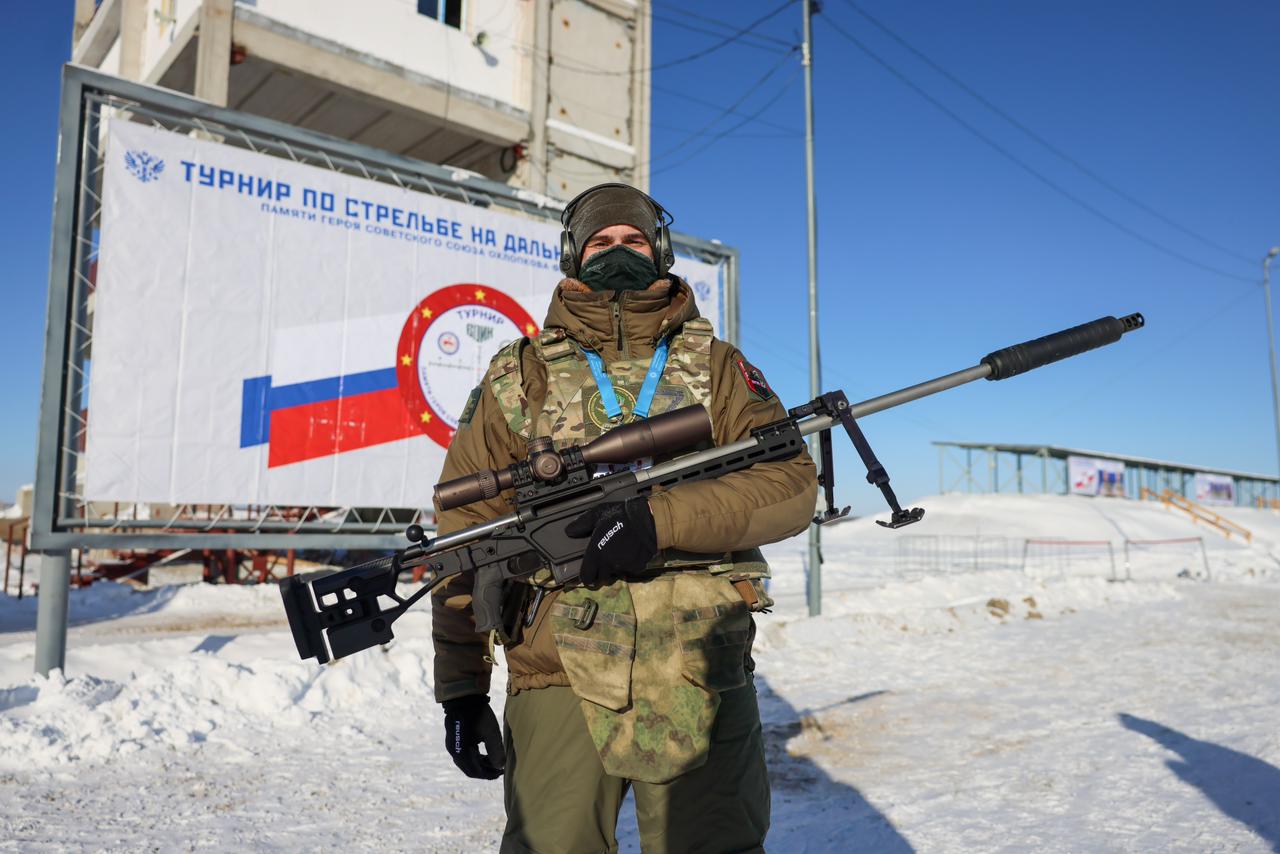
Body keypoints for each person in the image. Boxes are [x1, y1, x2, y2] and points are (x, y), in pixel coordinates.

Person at [431, 183, 817, 853]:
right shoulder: (517, 376)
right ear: (572, 258)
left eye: (633, 240)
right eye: (600, 243)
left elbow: (789, 485)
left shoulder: (719, 369)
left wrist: (659, 520)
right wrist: (462, 689)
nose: (617, 253)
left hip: (701, 661)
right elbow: (465, 534)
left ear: (660, 251)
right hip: (557, 670)